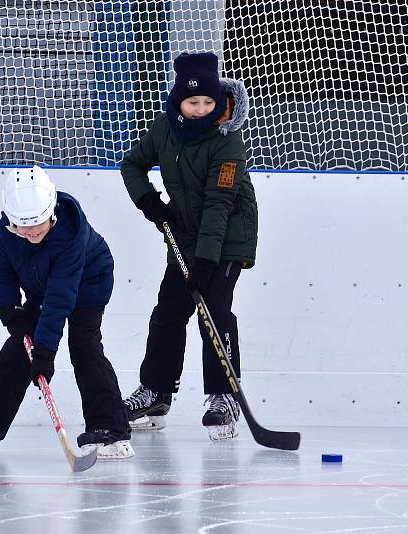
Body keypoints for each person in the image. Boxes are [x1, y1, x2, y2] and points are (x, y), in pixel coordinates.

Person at [120, 51, 257, 441]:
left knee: (213, 310)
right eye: (193, 102)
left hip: (228, 235)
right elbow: (132, 164)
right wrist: (149, 202)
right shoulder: (165, 128)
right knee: (168, 311)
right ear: (179, 99)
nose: (201, 110)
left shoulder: (227, 140)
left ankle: (223, 396)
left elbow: (220, 203)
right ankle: (156, 392)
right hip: (184, 231)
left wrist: (205, 261)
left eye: (208, 102)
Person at [0, 165, 134, 460]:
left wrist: (45, 353)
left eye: (39, 225)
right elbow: (3, 270)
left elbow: (61, 297)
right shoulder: (8, 233)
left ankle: (111, 429)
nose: (33, 233)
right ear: (12, 221)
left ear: (51, 213)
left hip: (88, 281)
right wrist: (9, 308)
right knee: (18, 350)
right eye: (25, 228)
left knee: (84, 345)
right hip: (44, 285)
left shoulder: (70, 233)